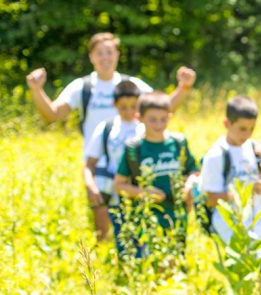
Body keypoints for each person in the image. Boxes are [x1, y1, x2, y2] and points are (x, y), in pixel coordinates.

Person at [25, 32, 196, 240]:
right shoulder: (82, 87)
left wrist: (183, 88)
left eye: (109, 52)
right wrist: (36, 90)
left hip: (136, 169)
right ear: (91, 57)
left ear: (117, 54)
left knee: (137, 232)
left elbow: (162, 108)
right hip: (101, 170)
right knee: (104, 233)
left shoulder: (132, 85)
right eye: (99, 53)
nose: (105, 58)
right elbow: (53, 114)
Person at [113, 91, 197, 262]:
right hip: (147, 217)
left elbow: (194, 171)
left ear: (170, 117)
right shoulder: (134, 149)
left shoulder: (178, 143)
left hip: (176, 215)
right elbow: (119, 185)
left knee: (175, 260)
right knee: (152, 261)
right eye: (152, 119)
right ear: (140, 118)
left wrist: (189, 185)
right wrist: (145, 193)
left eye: (163, 119)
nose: (159, 124)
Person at [199, 96, 261, 275]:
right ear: (226, 123)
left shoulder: (253, 149)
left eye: (252, 129)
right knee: (257, 268)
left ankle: (259, 294)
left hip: (255, 223)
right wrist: (243, 192)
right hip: (230, 226)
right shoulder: (216, 155)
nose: (247, 135)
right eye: (242, 129)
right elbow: (210, 199)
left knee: (259, 271)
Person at [83, 80, 144, 243]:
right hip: (110, 191)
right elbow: (89, 163)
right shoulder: (107, 128)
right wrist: (91, 186)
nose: (129, 111)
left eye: (133, 106)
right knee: (106, 236)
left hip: (137, 191)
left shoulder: (145, 128)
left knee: (137, 239)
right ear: (115, 104)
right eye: (123, 107)